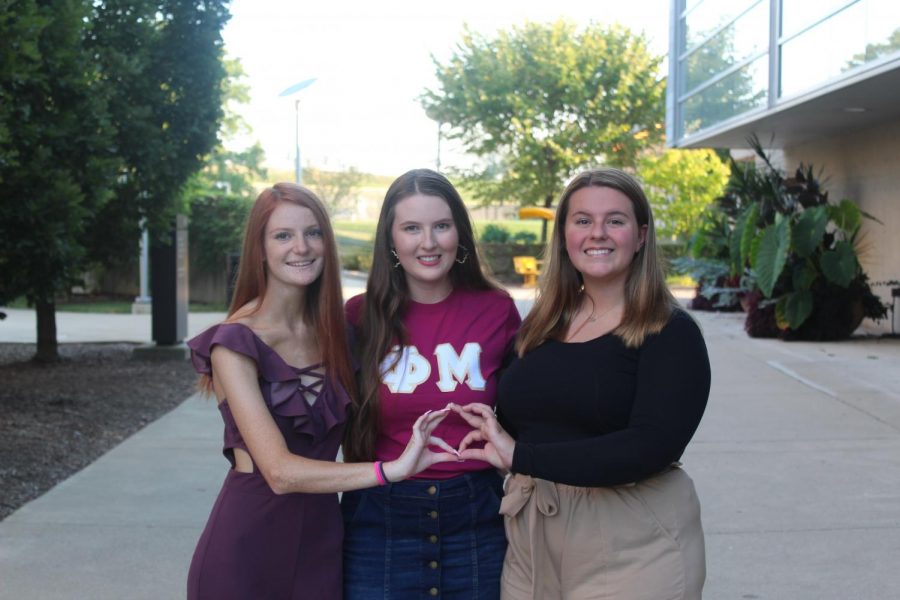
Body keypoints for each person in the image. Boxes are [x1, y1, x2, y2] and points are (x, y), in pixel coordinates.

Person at [185, 183, 457, 600]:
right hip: (247, 549)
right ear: (259, 249)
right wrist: (392, 470)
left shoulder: (341, 334)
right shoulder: (234, 342)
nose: (301, 247)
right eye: (283, 235)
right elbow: (278, 472)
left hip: (323, 547)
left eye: (313, 233)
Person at [452, 168, 711, 599]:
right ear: (565, 235)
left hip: (632, 538)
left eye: (615, 220)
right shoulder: (542, 324)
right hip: (531, 535)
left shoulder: (670, 331)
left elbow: (651, 445)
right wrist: (498, 442)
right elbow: (526, 419)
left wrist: (522, 454)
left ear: (641, 234)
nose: (598, 233)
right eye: (583, 220)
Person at [341, 169, 521, 599]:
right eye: (411, 228)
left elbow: (528, 410)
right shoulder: (358, 317)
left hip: (477, 517)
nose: (428, 242)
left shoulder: (496, 309)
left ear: (458, 233)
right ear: (391, 239)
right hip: (380, 517)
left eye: (441, 226)